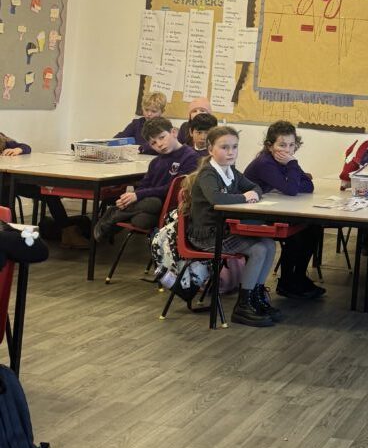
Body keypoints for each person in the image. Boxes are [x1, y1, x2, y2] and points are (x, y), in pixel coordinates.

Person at [182, 125, 278, 328]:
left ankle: (256, 297)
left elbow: (255, 187)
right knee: (259, 249)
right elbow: (217, 198)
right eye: (224, 147)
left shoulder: (231, 171)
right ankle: (243, 306)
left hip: (224, 231)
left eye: (234, 147)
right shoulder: (208, 174)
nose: (231, 152)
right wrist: (245, 197)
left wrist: (253, 193)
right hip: (206, 236)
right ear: (210, 149)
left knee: (269, 244)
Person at [244, 120, 325, 299]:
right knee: (297, 231)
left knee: (313, 227)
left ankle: (298, 277)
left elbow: (308, 186)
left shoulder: (286, 161)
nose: (287, 150)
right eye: (282, 145)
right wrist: (292, 165)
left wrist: (291, 172)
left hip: (271, 209)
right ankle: (288, 282)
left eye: (291, 145)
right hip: (252, 214)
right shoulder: (265, 162)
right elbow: (291, 189)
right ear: (270, 146)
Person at [93, 117, 198, 243]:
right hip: (151, 207)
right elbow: (144, 185)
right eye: (153, 143)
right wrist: (130, 198)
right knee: (146, 213)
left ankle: (116, 214)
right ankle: (122, 211)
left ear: (174, 132)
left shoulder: (190, 157)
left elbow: (171, 189)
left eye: (162, 137)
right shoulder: (156, 162)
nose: (159, 144)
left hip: (172, 209)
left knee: (147, 212)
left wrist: (137, 195)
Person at [1, 131, 89, 248]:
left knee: (49, 193)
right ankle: (9, 236)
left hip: (11, 184)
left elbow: (26, 147)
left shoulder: (4, 141)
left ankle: (67, 232)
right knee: (5, 198)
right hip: (5, 187)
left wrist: (18, 150)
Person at [114, 90, 168, 154]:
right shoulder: (137, 124)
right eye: (146, 110)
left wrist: (141, 148)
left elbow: (160, 145)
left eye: (153, 111)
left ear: (162, 111)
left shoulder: (166, 127)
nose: (149, 114)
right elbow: (119, 138)